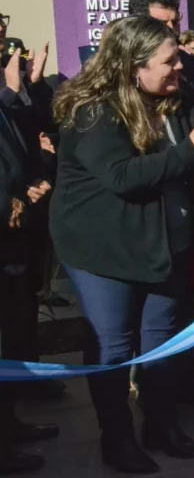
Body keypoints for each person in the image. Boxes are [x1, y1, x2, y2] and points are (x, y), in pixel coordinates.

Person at [50, 16, 194, 473]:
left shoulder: (173, 100)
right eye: (168, 60)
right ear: (132, 66)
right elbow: (121, 176)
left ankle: (161, 423)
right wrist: (189, 151)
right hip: (105, 250)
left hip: (165, 242)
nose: (181, 66)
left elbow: (187, 169)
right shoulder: (94, 110)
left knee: (163, 341)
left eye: (179, 56)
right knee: (115, 348)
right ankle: (116, 438)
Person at [0, 52, 58, 475]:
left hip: (16, 243)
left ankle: (10, 425)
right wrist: (13, 200)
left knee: (15, 338)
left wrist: (33, 182)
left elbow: (22, 144)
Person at [129, 0, 194, 105]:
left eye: (174, 22)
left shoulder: (187, 62)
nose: (170, 28)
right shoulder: (117, 65)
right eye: (161, 23)